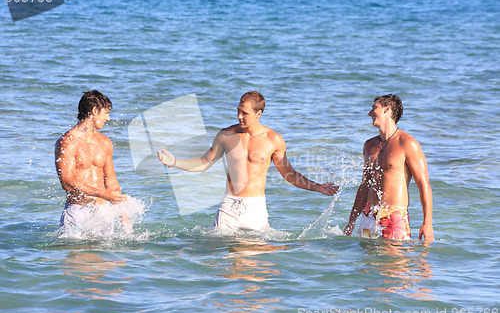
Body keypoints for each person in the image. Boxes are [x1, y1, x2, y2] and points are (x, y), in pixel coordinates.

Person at [158, 91, 338, 231]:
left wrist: (318, 187)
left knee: (254, 260)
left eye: (244, 113)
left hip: (255, 207)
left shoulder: (273, 140)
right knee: (222, 259)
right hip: (228, 206)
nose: (239, 116)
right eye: (238, 110)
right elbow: (205, 162)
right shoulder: (226, 135)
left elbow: (289, 174)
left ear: (258, 113)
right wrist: (175, 162)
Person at [343, 94, 433, 242]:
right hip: (369, 213)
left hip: (394, 215)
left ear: (387, 110)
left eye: (374, 108)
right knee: (366, 264)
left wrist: (427, 223)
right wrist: (351, 220)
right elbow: (365, 185)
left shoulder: (407, 143)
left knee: (395, 264)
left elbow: (423, 184)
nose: (369, 113)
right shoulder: (369, 146)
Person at [55, 90, 132, 234]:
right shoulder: (67, 142)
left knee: (106, 256)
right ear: (95, 111)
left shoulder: (105, 142)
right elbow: (66, 182)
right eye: (106, 113)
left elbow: (111, 181)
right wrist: (103, 194)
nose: (108, 118)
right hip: (78, 211)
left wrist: (124, 216)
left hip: (103, 212)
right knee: (76, 256)